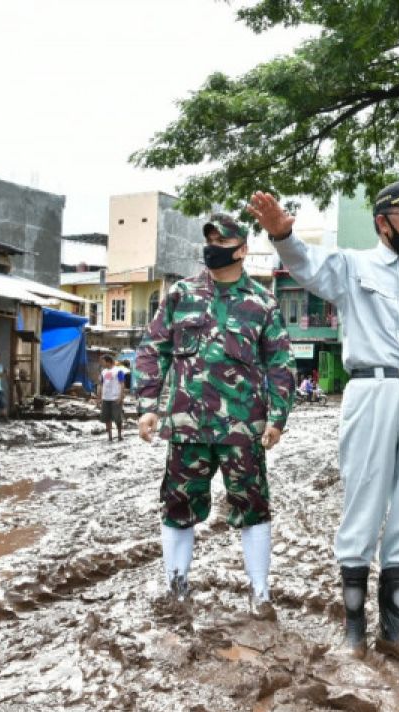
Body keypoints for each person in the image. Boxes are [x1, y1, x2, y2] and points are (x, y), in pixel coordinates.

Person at [248, 180, 399, 665]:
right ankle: (353, 634)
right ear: (383, 221)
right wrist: (283, 236)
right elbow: (308, 266)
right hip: (372, 389)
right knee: (363, 504)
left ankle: (395, 632)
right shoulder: (353, 265)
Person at [135, 212, 294, 621]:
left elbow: (279, 363)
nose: (212, 249)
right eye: (208, 241)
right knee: (178, 505)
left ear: (242, 250)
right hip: (187, 427)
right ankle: (177, 586)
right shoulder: (180, 296)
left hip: (244, 430)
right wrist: (148, 406)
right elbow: (153, 350)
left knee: (253, 506)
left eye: (221, 243)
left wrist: (278, 417)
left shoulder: (262, 302)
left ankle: (260, 593)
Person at [97, 354, 127, 442]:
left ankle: (119, 435)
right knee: (106, 418)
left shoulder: (118, 371)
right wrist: (99, 396)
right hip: (105, 398)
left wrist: (121, 397)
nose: (102, 363)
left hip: (115, 398)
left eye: (103, 361)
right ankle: (109, 436)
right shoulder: (103, 371)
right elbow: (101, 384)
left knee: (117, 418)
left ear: (108, 361)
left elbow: (122, 384)